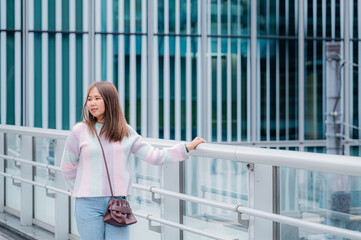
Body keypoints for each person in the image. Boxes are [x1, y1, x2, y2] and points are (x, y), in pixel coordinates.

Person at [60, 81, 206, 240]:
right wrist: (78, 191)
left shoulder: (124, 131)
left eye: (97, 98)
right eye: (89, 99)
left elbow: (154, 156)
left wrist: (186, 147)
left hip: (118, 204)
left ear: (110, 101)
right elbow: (67, 166)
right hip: (87, 204)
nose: (92, 103)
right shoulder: (80, 131)